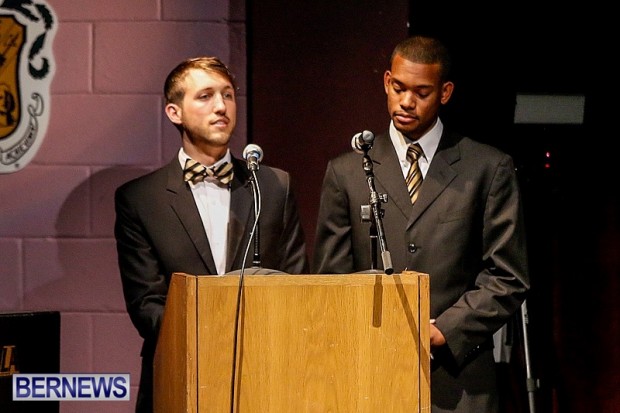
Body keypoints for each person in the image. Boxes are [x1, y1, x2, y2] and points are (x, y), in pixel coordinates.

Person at [312, 35, 530, 412]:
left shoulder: (487, 168)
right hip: (369, 378)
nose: (406, 102)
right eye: (398, 88)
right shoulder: (346, 172)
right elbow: (331, 281)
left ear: (445, 92)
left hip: (460, 384)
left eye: (421, 92)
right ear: (386, 82)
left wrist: (445, 329)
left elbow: (508, 276)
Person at [114, 56, 308, 413]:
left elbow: (296, 283)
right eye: (205, 96)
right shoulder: (140, 199)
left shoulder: (272, 185)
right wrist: (214, 338)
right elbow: (146, 304)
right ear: (174, 112)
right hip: (180, 373)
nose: (221, 107)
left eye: (228, 95)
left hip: (265, 372)